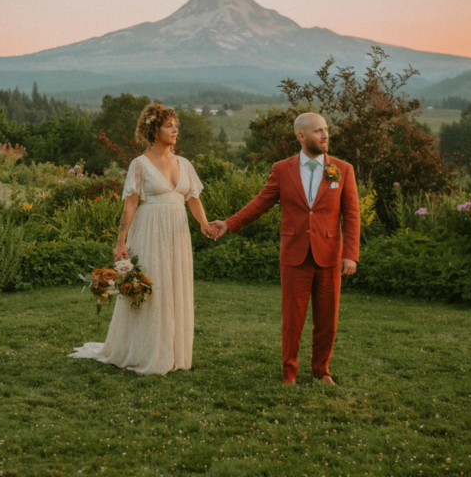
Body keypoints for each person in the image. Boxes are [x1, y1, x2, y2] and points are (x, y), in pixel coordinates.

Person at [210, 113, 360, 385]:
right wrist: (229, 224)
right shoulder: (282, 169)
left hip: (330, 255)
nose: (325, 135)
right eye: (318, 131)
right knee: (292, 320)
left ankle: (321, 371)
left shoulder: (343, 169)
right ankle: (289, 373)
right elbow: (260, 204)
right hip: (294, 256)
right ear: (301, 136)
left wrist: (350, 254)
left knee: (328, 321)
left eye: (326, 129)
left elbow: (352, 216)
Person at [69, 103, 215, 375]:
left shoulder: (184, 164)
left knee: (174, 286)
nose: (175, 130)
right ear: (153, 129)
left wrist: (205, 225)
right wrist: (121, 242)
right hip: (149, 231)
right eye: (169, 125)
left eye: (176, 125)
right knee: (152, 288)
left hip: (177, 233)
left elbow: (193, 199)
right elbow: (130, 206)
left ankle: (174, 352)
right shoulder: (140, 164)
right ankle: (147, 351)